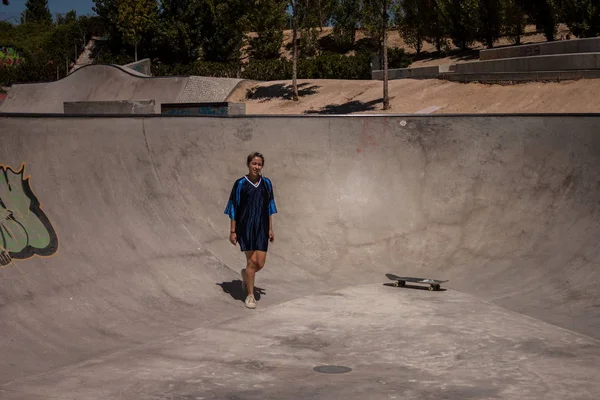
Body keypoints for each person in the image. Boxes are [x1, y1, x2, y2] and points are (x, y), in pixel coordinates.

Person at [224, 152, 277, 309]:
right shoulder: (240, 183)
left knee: (259, 263)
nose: (256, 166)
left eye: (259, 164)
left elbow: (269, 207)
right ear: (248, 164)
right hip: (245, 227)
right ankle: (250, 295)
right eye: (254, 163)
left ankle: (246, 274)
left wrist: (270, 228)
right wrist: (233, 231)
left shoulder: (266, 183)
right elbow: (234, 207)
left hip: (261, 227)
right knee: (252, 261)